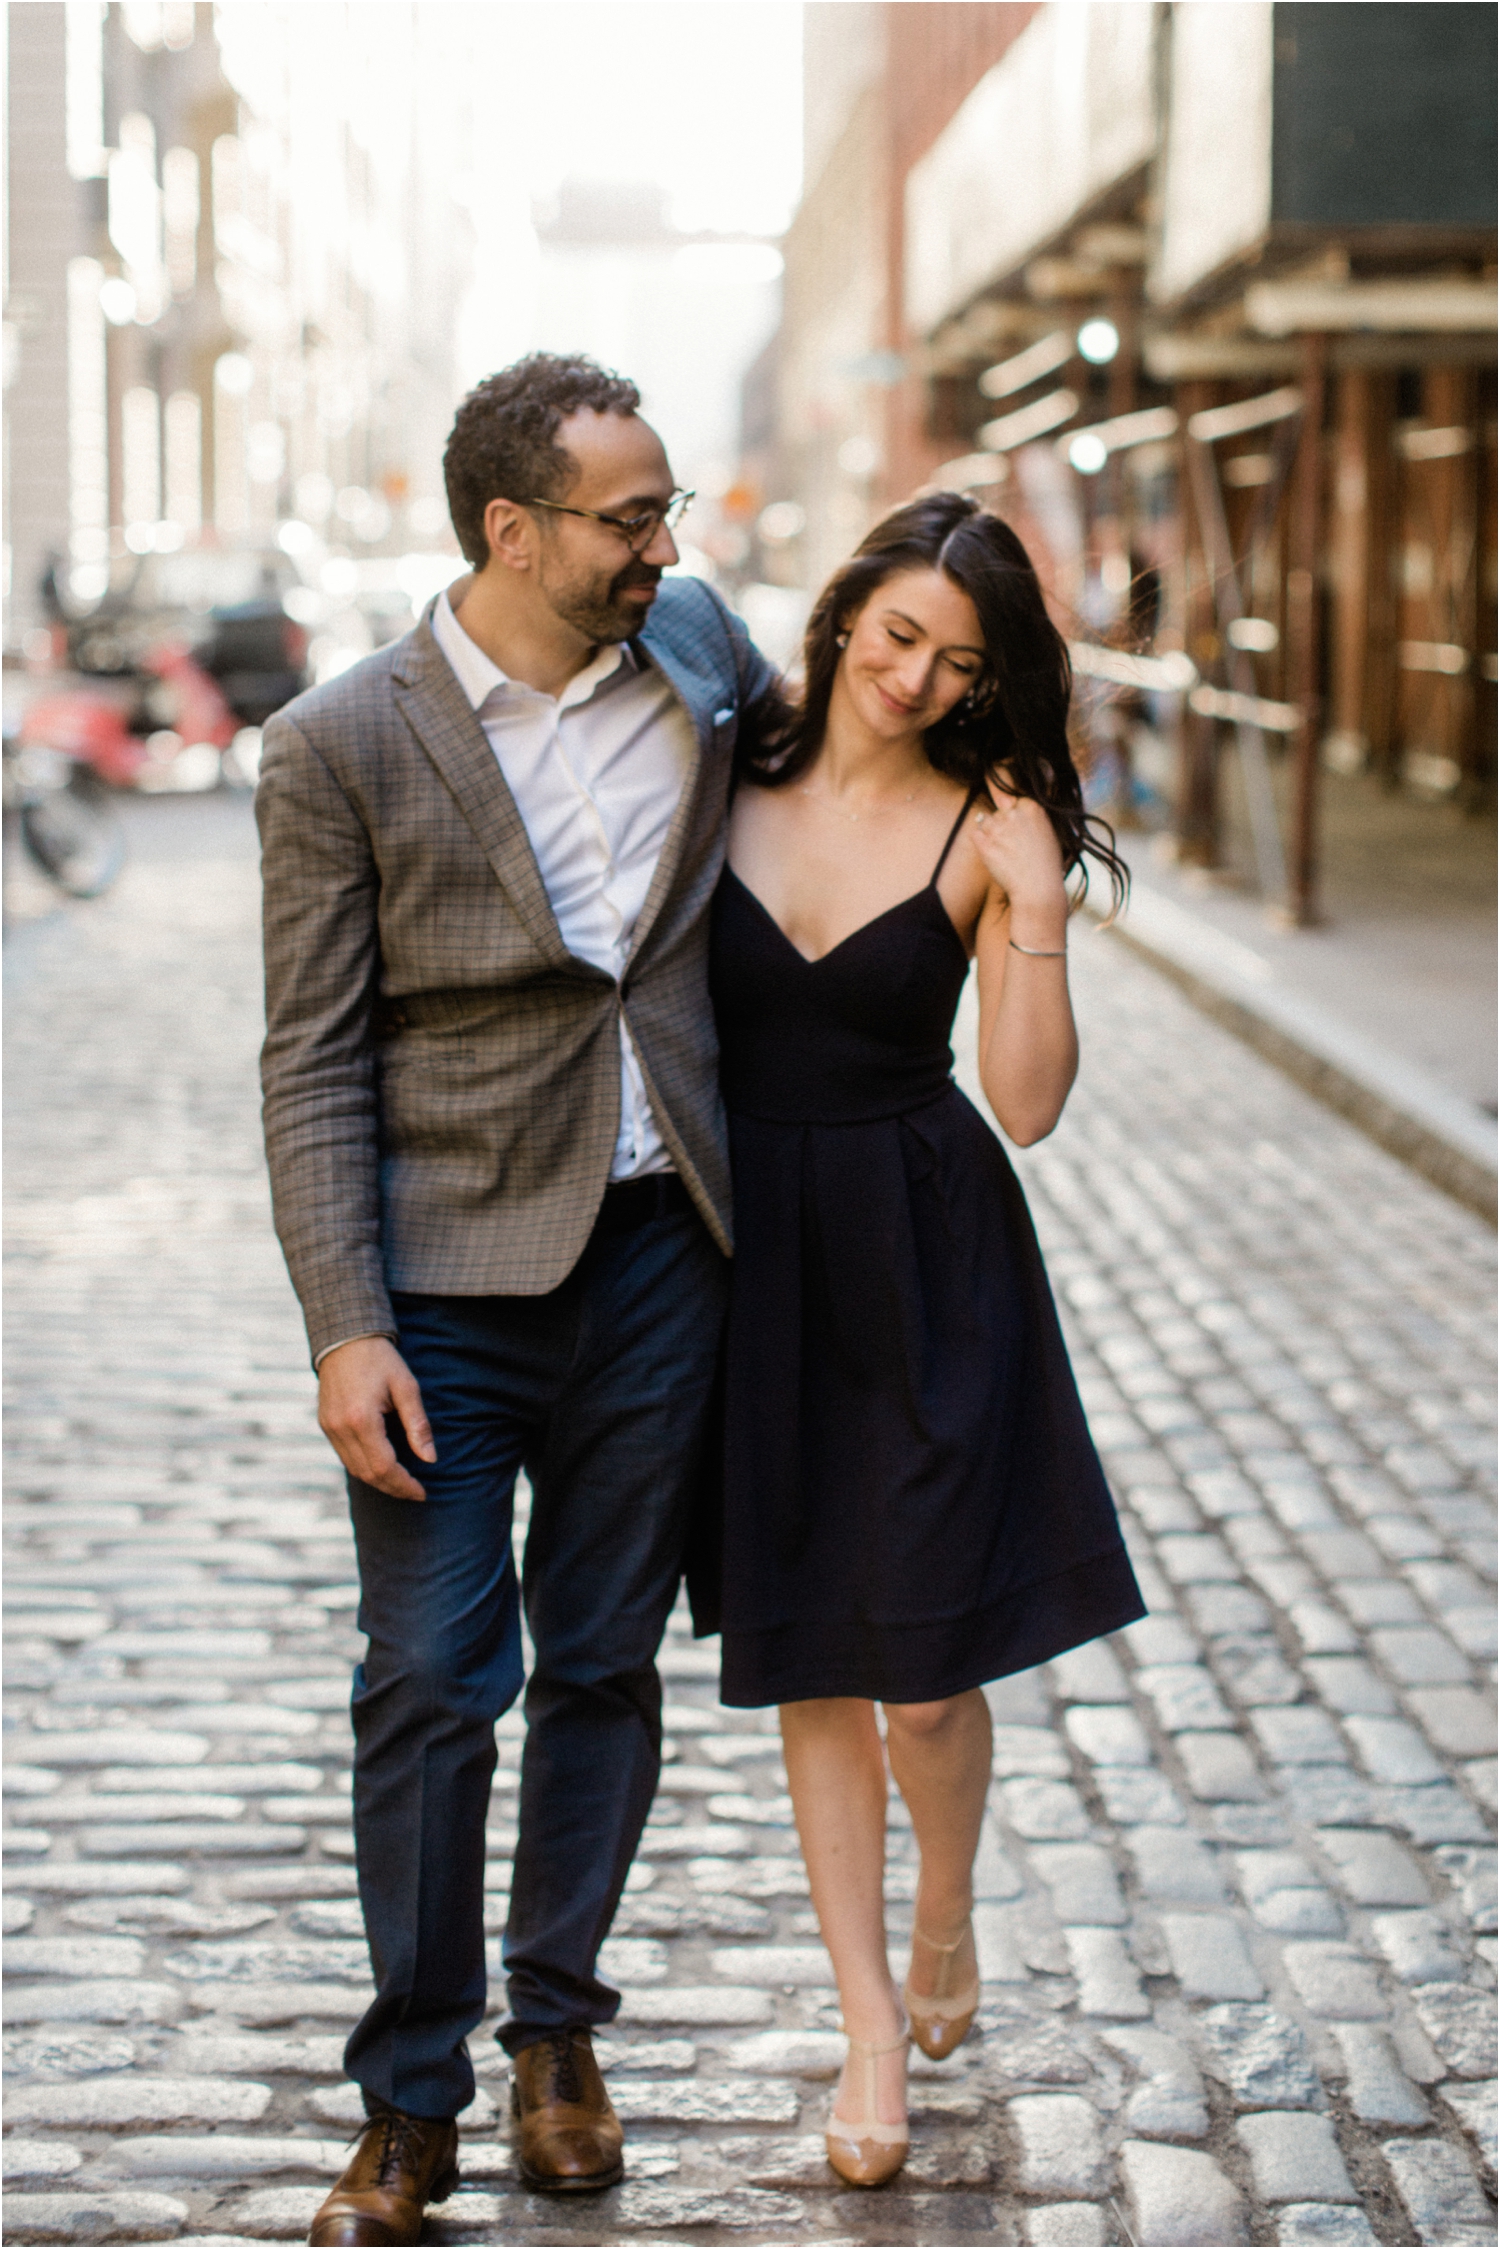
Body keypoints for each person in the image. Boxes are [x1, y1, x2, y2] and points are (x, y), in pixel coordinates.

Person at [256, 353, 774, 2247]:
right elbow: (309, 1057)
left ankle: (561, 2039)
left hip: (660, 1258)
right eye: (631, 517)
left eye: (667, 512)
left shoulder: (700, 653)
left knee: (609, 1664)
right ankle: (409, 2102)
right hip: (448, 1290)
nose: (666, 545)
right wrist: (345, 1325)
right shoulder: (340, 743)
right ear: (513, 529)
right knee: (427, 1682)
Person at [708, 491, 1146, 2188]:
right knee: (813, 1660)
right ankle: (871, 2019)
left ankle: (948, 1906)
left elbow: (1027, 1105)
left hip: (926, 1244)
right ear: (839, 618)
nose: (913, 679)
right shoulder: (721, 775)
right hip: (753, 1256)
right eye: (896, 636)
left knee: (931, 1675)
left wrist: (1035, 903)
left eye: (956, 664)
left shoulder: (987, 818)